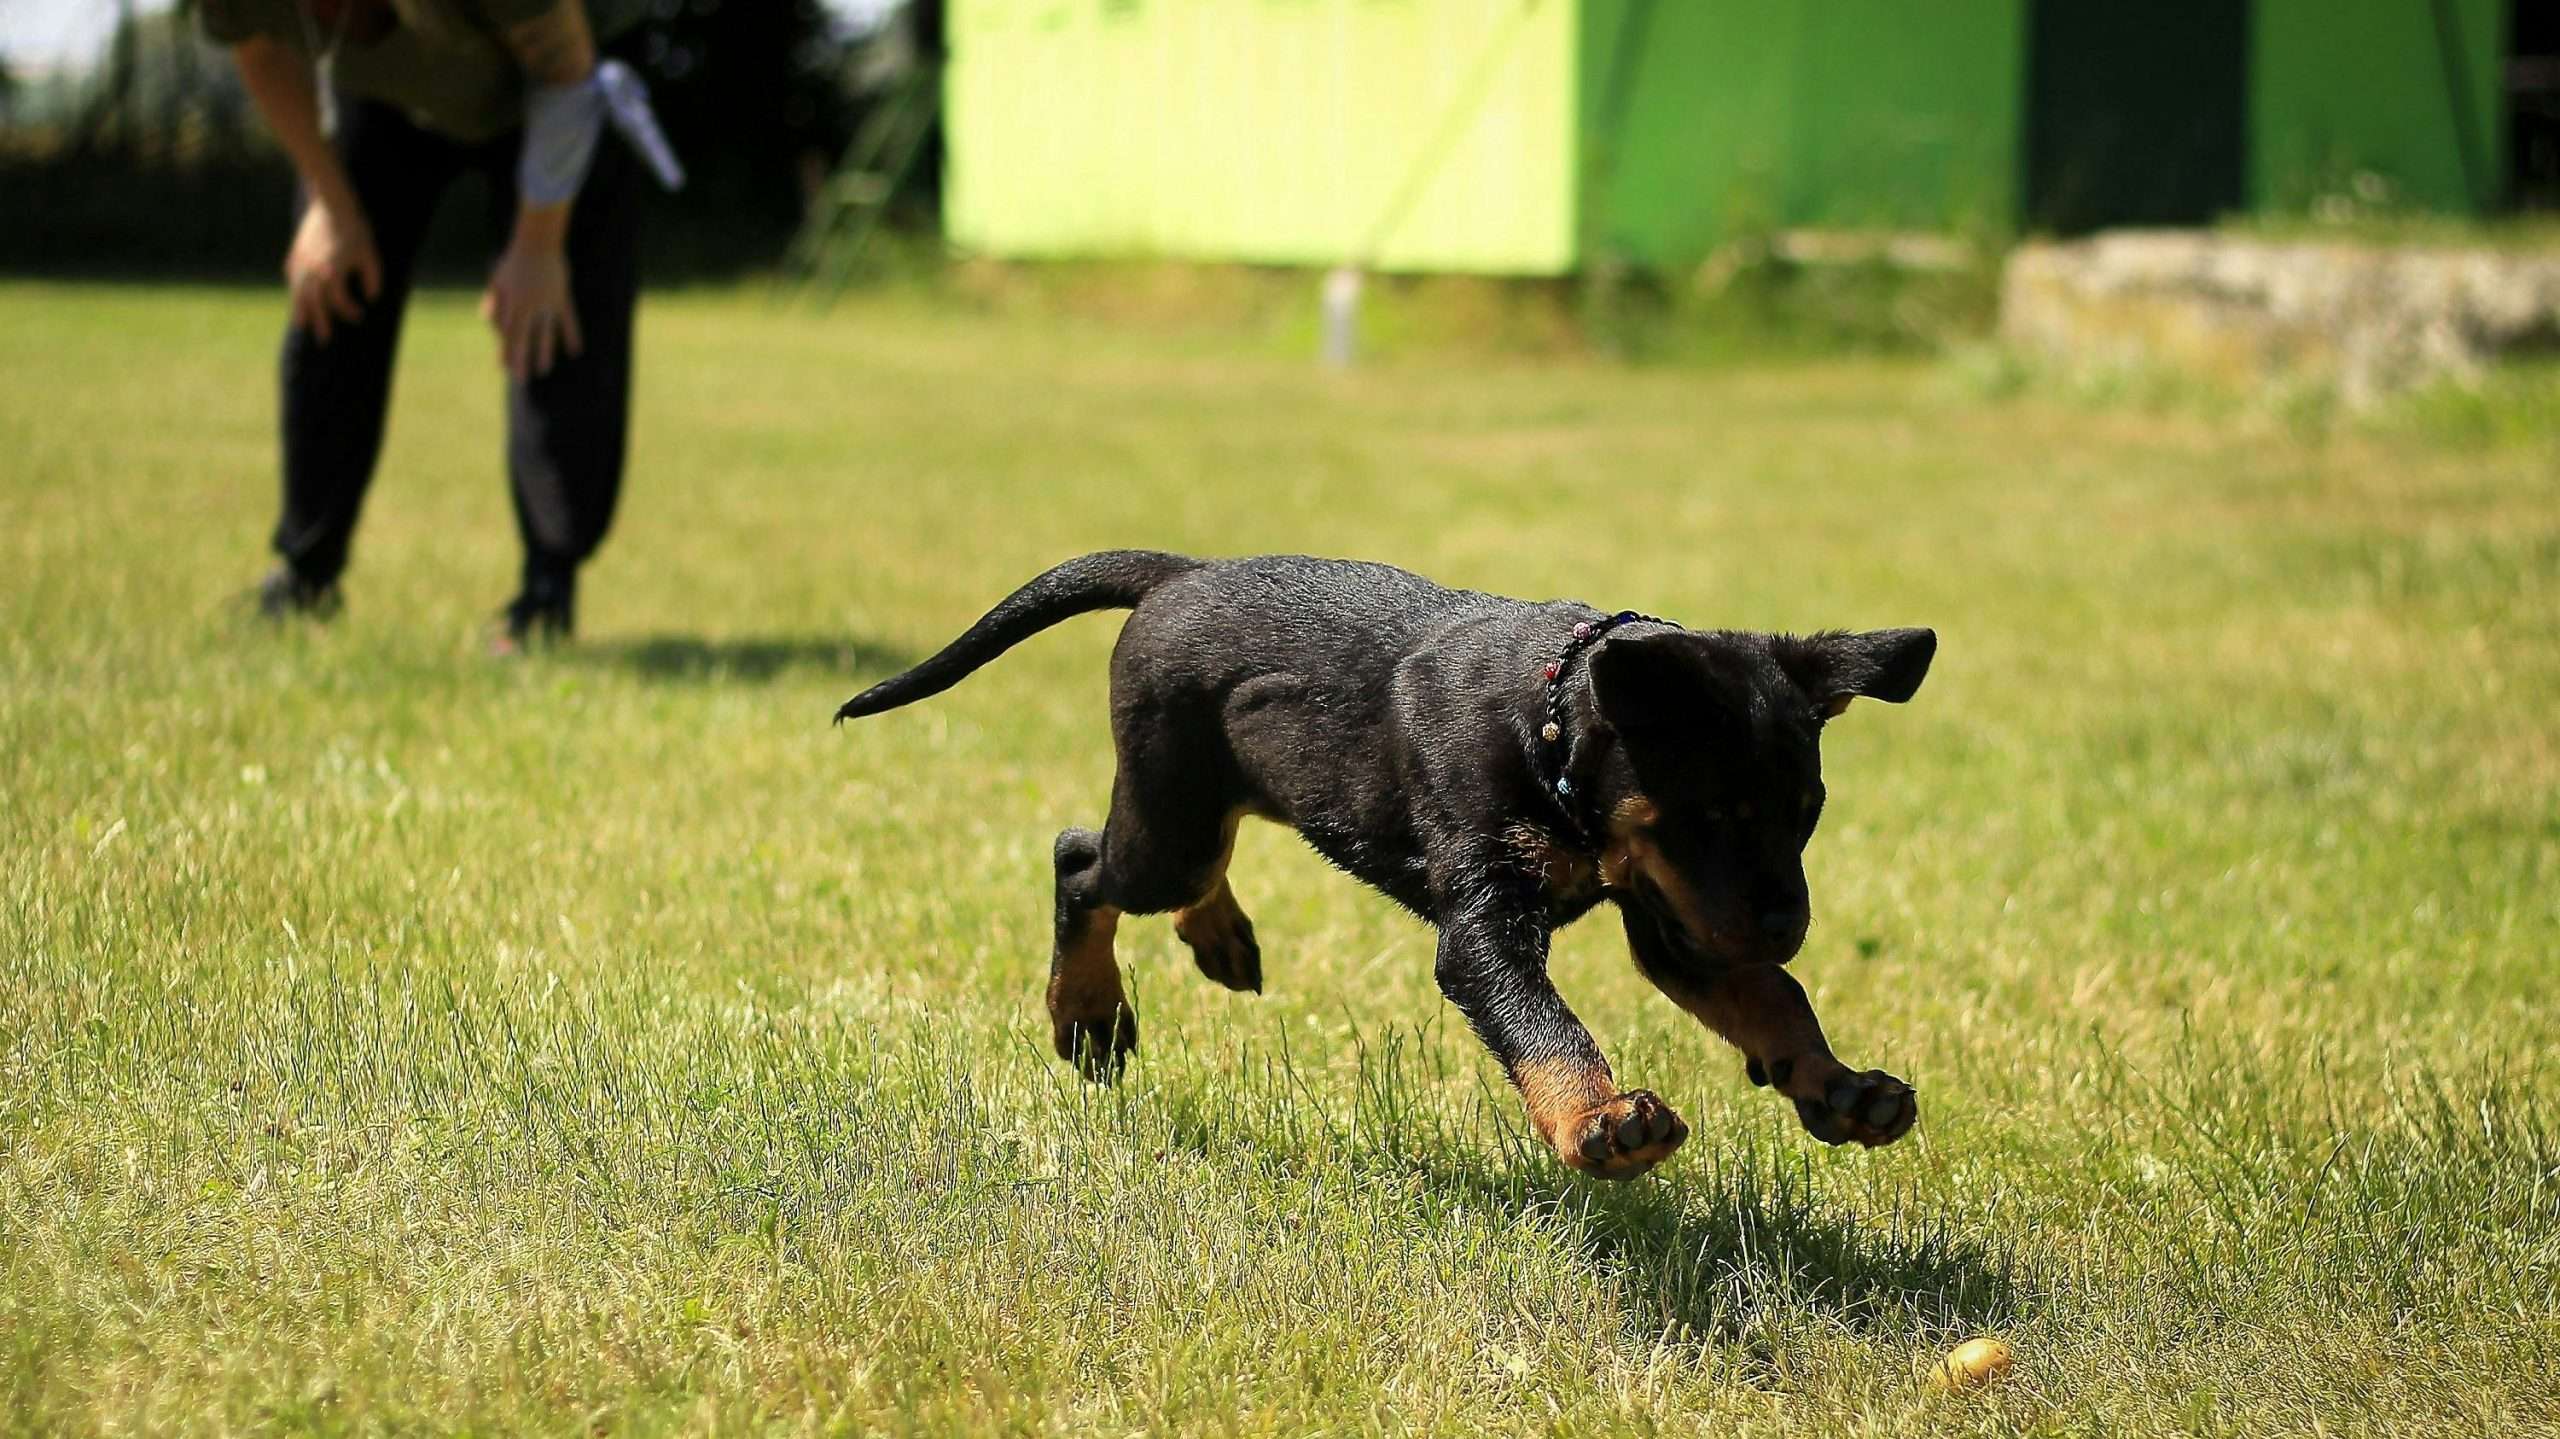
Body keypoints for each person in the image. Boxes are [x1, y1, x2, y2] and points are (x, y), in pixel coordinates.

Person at [202, 0, 680, 647]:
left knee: (550, 322)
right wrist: (326, 199)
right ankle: (306, 571)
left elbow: (567, 67)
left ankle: (547, 590)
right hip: (381, 99)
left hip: (551, 93)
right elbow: (258, 47)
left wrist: (538, 246)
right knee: (330, 287)